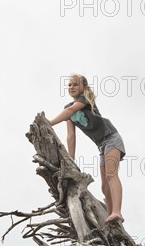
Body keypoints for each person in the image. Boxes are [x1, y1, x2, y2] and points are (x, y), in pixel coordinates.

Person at [48, 74, 126, 224]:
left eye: (75, 85)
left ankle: (117, 212)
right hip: (102, 146)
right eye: (69, 85)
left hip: (111, 138)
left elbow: (71, 112)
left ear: (84, 87)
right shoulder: (67, 109)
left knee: (111, 175)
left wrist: (50, 122)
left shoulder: (84, 100)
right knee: (104, 186)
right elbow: (71, 136)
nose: (71, 87)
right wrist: (71, 159)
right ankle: (111, 217)